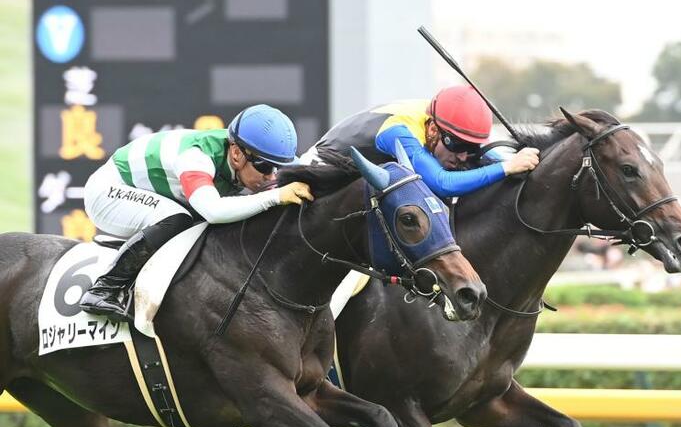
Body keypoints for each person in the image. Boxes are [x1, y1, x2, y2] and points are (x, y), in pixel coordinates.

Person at [79, 104, 313, 321]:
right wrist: (274, 197)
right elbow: (213, 211)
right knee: (177, 219)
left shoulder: (244, 156)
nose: (272, 176)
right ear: (236, 154)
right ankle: (103, 289)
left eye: (278, 168)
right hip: (110, 191)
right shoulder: (196, 157)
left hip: (158, 194)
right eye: (264, 166)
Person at [304, 85, 540, 197]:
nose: (463, 157)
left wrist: (514, 161)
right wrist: (507, 167)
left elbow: (485, 155)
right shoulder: (399, 132)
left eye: (471, 148)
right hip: (316, 177)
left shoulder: (442, 121)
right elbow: (442, 182)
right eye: (457, 145)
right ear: (434, 129)